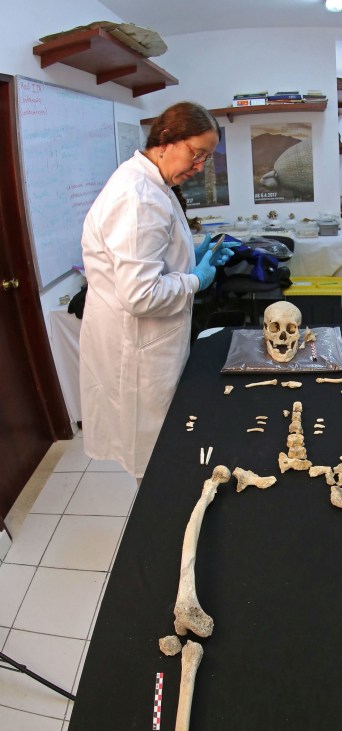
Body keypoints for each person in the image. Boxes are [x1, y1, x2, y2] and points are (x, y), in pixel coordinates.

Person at [80, 102, 236, 480]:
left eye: (205, 158)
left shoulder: (152, 183)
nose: (199, 167)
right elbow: (140, 294)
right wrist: (197, 279)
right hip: (138, 348)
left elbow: (151, 254)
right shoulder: (139, 197)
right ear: (166, 140)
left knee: (156, 446)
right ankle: (157, 524)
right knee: (150, 456)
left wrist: (189, 257)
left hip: (145, 341)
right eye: (195, 154)